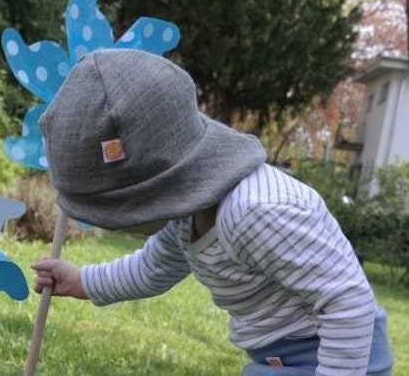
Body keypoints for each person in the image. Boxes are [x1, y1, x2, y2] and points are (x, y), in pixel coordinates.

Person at [32, 49, 393, 375]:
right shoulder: (189, 213)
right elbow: (152, 267)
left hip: (337, 357)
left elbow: (348, 303)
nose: (115, 224)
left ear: (157, 188)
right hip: (278, 359)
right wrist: (82, 281)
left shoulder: (256, 211)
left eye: (117, 211)